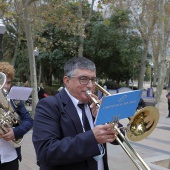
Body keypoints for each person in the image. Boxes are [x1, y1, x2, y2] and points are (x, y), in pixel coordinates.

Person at [32, 57, 123, 170]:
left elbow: (120, 138)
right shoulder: (49, 105)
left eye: (93, 80)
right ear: (67, 81)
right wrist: (92, 138)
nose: (90, 85)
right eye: (83, 79)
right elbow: (46, 153)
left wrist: (107, 119)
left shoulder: (95, 104)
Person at [0, 62, 33, 170]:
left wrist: (15, 132)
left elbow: (29, 121)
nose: (5, 86)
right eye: (2, 82)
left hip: (11, 157)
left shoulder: (15, 99)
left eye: (8, 82)